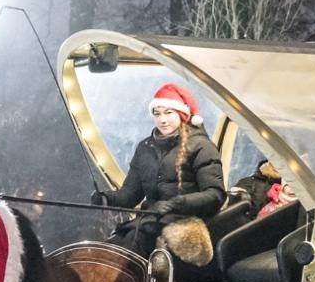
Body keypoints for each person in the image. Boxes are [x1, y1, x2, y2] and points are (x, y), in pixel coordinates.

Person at [91, 82, 224, 255]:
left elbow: (215, 195)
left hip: (186, 220)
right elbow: (131, 194)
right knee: (110, 246)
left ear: (182, 114)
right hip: (151, 221)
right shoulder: (145, 148)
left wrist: (177, 204)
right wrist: (107, 198)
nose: (162, 119)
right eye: (157, 113)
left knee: (133, 244)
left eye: (169, 113)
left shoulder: (201, 146)